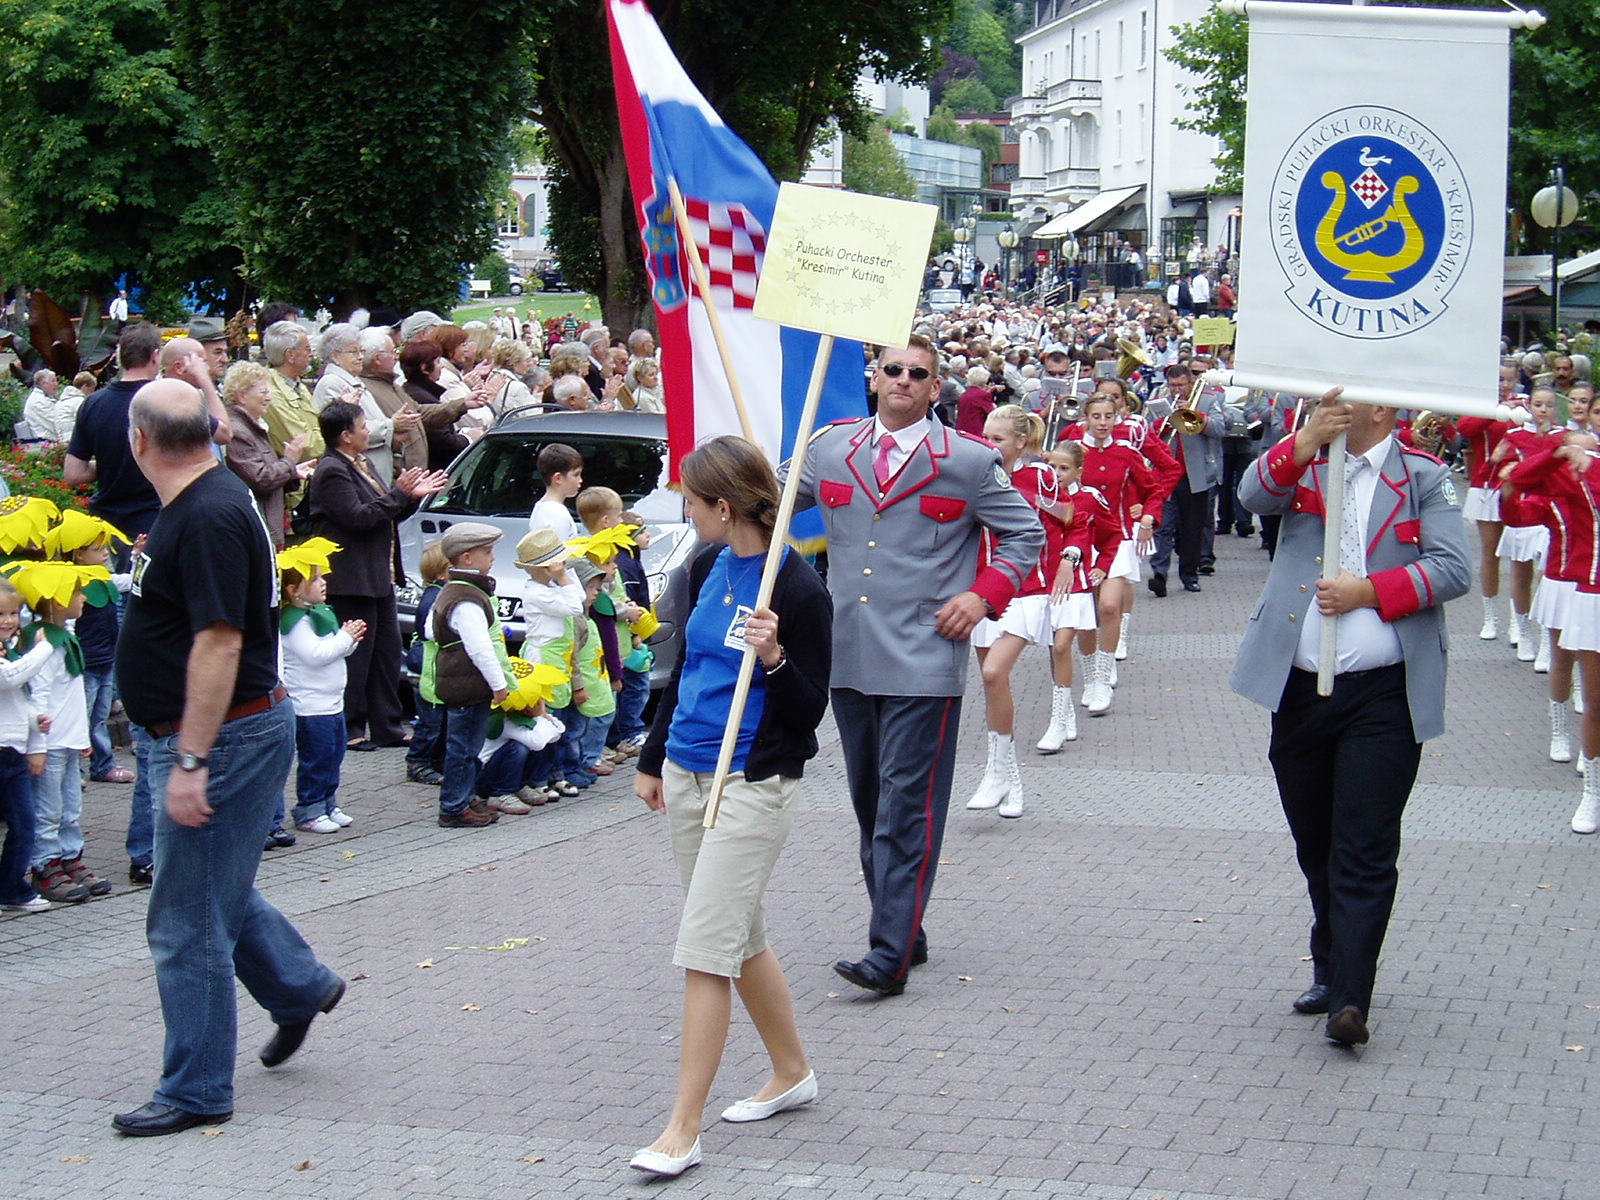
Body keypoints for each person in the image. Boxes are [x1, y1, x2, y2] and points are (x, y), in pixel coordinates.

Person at [112, 378, 345, 1137]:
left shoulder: (208, 512)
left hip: (222, 735)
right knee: (213, 887)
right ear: (211, 431)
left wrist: (191, 760)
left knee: (186, 920)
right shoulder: (205, 498)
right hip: (215, 731)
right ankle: (300, 986)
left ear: (139, 441)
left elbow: (220, 642)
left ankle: (197, 1088)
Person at [792, 334, 1044, 996]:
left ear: (936, 389)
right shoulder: (830, 449)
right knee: (870, 802)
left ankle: (889, 954)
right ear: (875, 379)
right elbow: (775, 503)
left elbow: (1025, 534)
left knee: (906, 805)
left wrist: (982, 595)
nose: (903, 379)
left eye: (918, 373)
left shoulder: (968, 460)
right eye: (893, 369)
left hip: (925, 655)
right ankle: (905, 926)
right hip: (850, 652)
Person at [1231, 389, 1469, 1046]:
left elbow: (1453, 569)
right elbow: (1251, 498)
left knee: (1364, 847)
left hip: (1386, 694)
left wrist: (1370, 592)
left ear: (1382, 411)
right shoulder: (1304, 461)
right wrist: (1303, 441)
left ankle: (1351, 997)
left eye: (1345, 396)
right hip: (1300, 690)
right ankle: (1329, 963)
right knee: (1317, 842)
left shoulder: (1424, 476)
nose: (1326, 401)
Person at [632, 436, 832, 1178]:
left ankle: (682, 1128)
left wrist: (775, 658)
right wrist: (653, 759)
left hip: (749, 781)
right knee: (738, 937)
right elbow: (687, 668)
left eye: (691, 500)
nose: (685, 511)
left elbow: (809, 711)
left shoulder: (797, 588)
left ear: (723, 505)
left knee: (704, 951)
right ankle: (792, 1071)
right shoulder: (707, 565)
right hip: (687, 772)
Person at [306, 402, 449, 750]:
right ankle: (351, 727)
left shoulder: (361, 463)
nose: (368, 432)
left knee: (386, 653)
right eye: (362, 427)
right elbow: (358, 518)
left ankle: (387, 726)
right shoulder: (332, 470)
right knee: (357, 656)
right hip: (351, 579)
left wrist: (410, 497)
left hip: (378, 574)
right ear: (346, 435)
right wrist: (399, 493)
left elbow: (385, 509)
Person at [967, 406, 1055, 820]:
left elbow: (1064, 522)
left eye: (998, 439)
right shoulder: (972, 475)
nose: (989, 445)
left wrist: (1071, 558)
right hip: (982, 591)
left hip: (1027, 590)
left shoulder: (1039, 477)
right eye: (985, 436)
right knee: (994, 686)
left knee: (993, 673)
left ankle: (998, 772)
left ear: (1021, 442)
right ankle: (1008, 778)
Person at [12, 559, 113, 904]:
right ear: (57, 602)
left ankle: (71, 857)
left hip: (69, 740)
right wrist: (37, 746)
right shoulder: (44, 643)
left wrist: (83, 737)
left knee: (71, 806)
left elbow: (72, 697)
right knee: (48, 809)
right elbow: (39, 698)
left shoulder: (66, 636)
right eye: (77, 592)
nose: (84, 598)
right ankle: (45, 865)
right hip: (51, 743)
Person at [424, 523, 513, 828]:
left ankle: (466, 797)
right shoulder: (466, 599)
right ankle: (454, 806)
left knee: (468, 746)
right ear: (467, 558)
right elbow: (480, 649)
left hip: (461, 682)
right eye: (487, 552)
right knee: (463, 749)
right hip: (467, 684)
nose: (493, 558)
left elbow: (429, 629)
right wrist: (499, 685)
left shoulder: (452, 591)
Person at [278, 547, 365, 834]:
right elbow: (317, 655)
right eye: (314, 579)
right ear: (293, 591)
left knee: (334, 755)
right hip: (311, 707)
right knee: (317, 760)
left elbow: (335, 650)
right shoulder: (295, 623)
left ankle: (329, 802)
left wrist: (349, 639)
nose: (323, 582)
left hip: (332, 703)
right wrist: (344, 638)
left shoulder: (320, 615)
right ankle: (309, 809)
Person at [0, 577, 55, 914]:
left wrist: (36, 721)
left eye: (12, 613)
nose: (8, 621)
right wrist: (44, 648)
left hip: (14, 751)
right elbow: (9, 678)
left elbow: (15, 698)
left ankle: (10, 888)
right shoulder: (13, 659)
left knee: (24, 823)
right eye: (0, 614)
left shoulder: (8, 652)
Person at [222, 361, 315, 550]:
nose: (269, 398)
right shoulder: (238, 431)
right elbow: (261, 479)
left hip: (268, 525)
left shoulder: (253, 426)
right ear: (242, 396)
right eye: (264, 392)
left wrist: (292, 471)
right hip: (259, 529)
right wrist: (289, 461)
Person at [527, 443, 584, 539]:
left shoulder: (541, 507)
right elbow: (560, 548)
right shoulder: (557, 514)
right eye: (576, 474)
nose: (580, 480)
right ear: (558, 478)